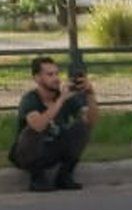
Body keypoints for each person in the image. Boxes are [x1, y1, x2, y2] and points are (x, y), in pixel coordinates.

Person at [7, 56, 99, 192]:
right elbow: (38, 125)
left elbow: (91, 121)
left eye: (57, 74)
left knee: (82, 127)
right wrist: (60, 100)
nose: (56, 78)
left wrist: (90, 94)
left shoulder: (64, 97)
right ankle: (37, 178)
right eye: (50, 74)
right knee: (32, 130)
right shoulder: (30, 99)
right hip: (27, 155)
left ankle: (64, 176)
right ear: (37, 78)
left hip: (52, 150)